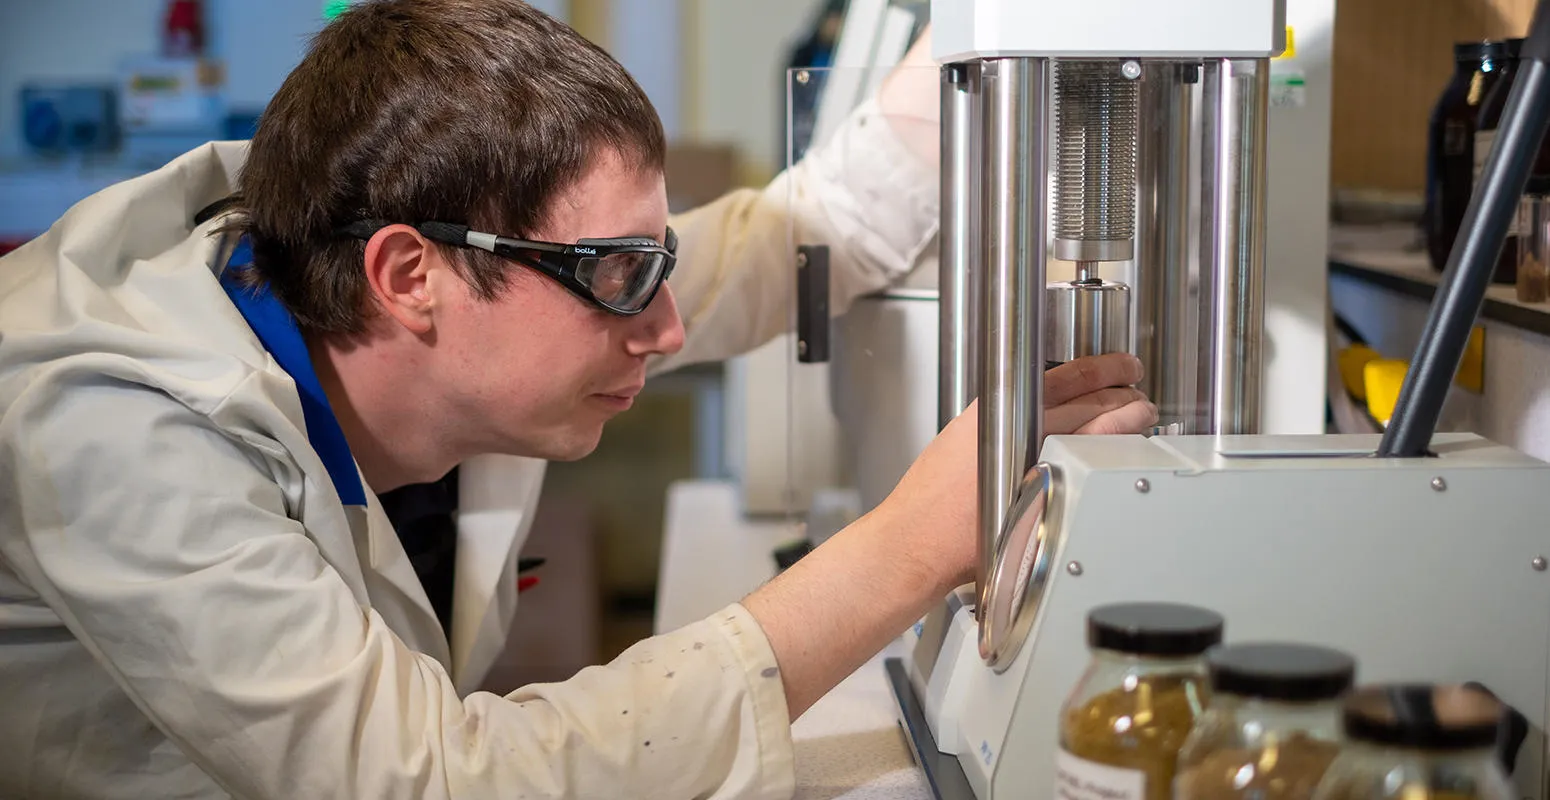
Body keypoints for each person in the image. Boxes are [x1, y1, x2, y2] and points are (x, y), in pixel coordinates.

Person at [0, 2, 1156, 798]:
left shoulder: (395, 269)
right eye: (616, 274)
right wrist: (905, 547)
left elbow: (789, 239)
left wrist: (967, 43)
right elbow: (427, 781)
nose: (666, 326)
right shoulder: (116, 428)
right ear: (408, 275)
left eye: (654, 263)